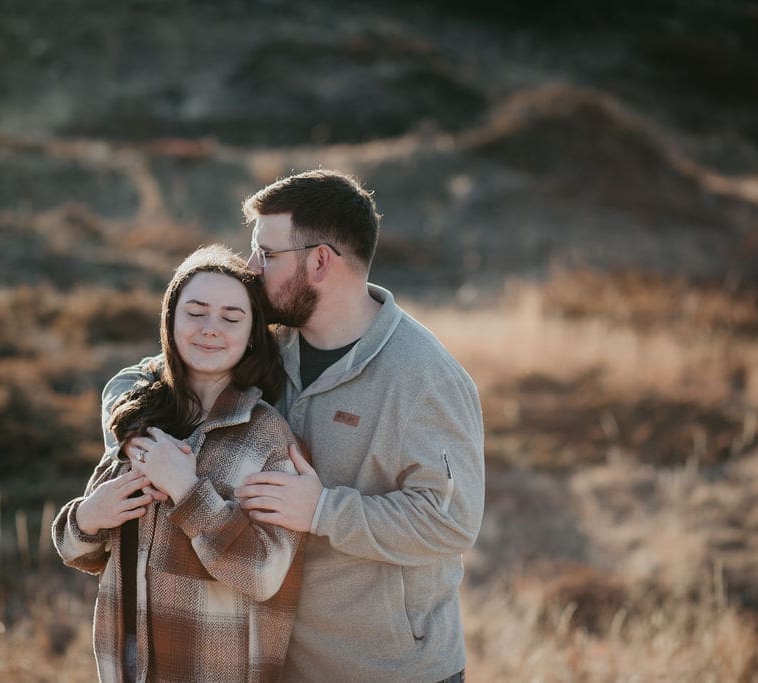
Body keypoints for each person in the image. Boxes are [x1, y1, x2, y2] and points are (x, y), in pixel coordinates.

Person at [110, 169, 484, 681]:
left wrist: (324, 510)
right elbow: (149, 374)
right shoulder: (269, 341)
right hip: (275, 662)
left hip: (390, 668)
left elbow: (451, 521)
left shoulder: (423, 376)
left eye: (266, 253)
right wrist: (130, 429)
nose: (250, 265)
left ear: (320, 261)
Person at [53, 245, 306, 683]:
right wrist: (89, 517)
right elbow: (79, 550)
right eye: (195, 313)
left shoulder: (266, 437)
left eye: (231, 318)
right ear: (169, 321)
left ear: (251, 335)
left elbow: (265, 574)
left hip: (214, 670)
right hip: (128, 668)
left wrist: (188, 492)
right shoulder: (140, 422)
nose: (211, 329)